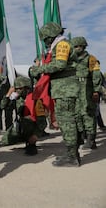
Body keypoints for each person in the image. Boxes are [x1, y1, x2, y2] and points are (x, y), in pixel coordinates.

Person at [29, 22, 80, 167]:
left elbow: (60, 64)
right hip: (62, 89)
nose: (45, 42)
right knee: (65, 121)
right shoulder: (58, 45)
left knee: (67, 121)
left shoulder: (62, 44)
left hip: (66, 89)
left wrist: (39, 69)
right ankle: (71, 153)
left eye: (45, 39)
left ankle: (72, 157)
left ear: (50, 36)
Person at [70, 37, 101, 149]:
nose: (77, 48)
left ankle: (91, 140)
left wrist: (96, 91)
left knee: (88, 115)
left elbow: (96, 75)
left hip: (87, 92)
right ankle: (80, 138)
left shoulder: (91, 59)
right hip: (74, 93)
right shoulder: (71, 60)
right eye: (75, 46)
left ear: (84, 46)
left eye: (80, 46)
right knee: (76, 116)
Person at [0, 76, 40, 155]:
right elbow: (3, 106)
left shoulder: (35, 99)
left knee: (27, 120)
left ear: (26, 88)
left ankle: (31, 144)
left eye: (19, 89)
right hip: (20, 126)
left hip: (33, 126)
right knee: (6, 139)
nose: (17, 91)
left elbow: (42, 121)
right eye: (16, 89)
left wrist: (36, 135)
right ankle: (23, 138)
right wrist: (8, 94)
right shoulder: (17, 99)